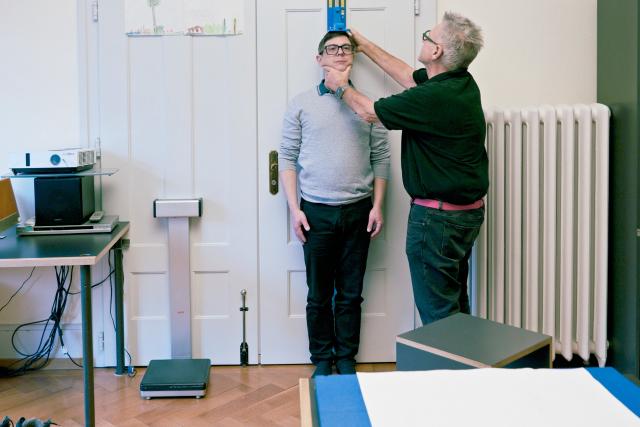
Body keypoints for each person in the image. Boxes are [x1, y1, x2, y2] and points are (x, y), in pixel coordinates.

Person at [324, 12, 488, 325]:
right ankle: (462, 356)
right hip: (463, 216)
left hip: (438, 222)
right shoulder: (459, 83)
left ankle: (445, 358)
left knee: (439, 319)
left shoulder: (434, 97)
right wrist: (364, 45)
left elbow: (370, 112)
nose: (423, 39)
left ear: (436, 51)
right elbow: (408, 76)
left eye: (428, 36)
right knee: (454, 309)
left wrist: (340, 86)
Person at [279, 31, 390, 376]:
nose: (340, 53)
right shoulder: (301, 104)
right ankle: (322, 360)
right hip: (315, 212)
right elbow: (287, 158)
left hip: (359, 210)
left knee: (351, 293)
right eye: (332, 49)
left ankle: (345, 358)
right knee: (318, 295)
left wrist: (378, 205)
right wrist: (294, 210)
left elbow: (381, 157)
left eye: (346, 48)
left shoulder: (368, 105)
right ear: (320, 59)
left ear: (353, 56)